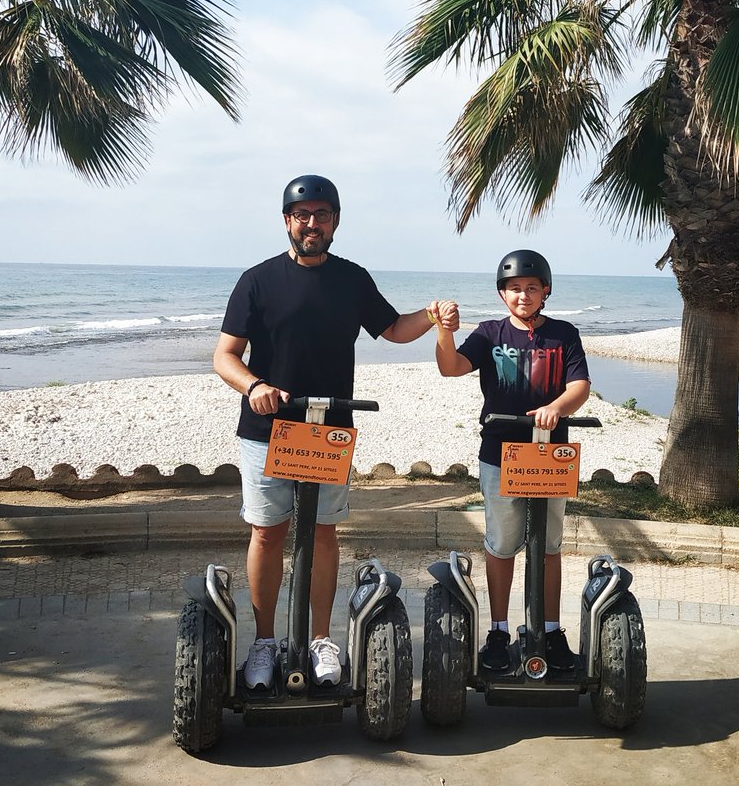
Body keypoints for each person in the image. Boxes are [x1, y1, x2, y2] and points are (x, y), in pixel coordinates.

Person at [213, 174, 452, 691]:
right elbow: (224, 355)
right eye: (302, 215)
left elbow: (392, 329)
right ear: (287, 222)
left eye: (322, 215)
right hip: (266, 430)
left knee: (323, 534)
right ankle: (263, 643)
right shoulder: (257, 281)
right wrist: (254, 385)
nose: (312, 224)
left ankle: (322, 639)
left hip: (327, 430)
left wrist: (431, 316)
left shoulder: (352, 279)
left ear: (335, 221)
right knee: (266, 532)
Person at [433, 249, 590, 673]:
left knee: (549, 545)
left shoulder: (564, 334)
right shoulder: (489, 333)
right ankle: (499, 631)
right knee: (502, 545)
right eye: (515, 289)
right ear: (503, 294)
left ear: (546, 292)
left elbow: (580, 386)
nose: (523, 295)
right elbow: (452, 368)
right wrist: (445, 332)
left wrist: (556, 407)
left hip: (550, 454)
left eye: (532, 288)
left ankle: (551, 630)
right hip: (501, 454)